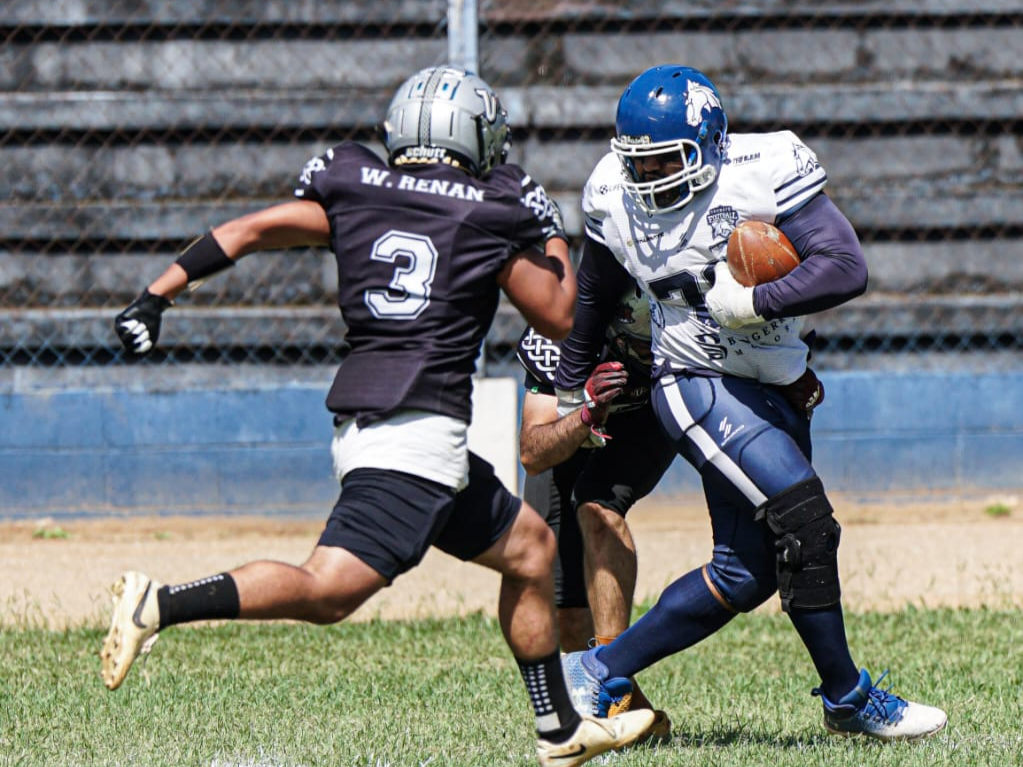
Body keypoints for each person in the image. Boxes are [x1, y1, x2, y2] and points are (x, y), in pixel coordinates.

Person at [101, 64, 654, 767]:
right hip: (415, 433)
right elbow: (559, 313)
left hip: (384, 424)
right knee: (328, 591)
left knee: (528, 548)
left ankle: (559, 732)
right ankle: (161, 602)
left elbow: (249, 230)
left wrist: (155, 295)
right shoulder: (489, 204)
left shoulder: (357, 183)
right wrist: (548, 233)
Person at [552, 64, 947, 741]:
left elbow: (844, 264)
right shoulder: (610, 194)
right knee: (807, 520)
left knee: (745, 573)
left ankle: (594, 669)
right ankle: (847, 697)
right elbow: (594, 289)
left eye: (664, 163)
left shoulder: (764, 165)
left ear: (707, 144)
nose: (647, 181)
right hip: (694, 378)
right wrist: (570, 383)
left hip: (773, 377)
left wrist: (757, 300)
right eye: (637, 166)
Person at [515, 281, 675, 740]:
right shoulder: (560, 330)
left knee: (598, 508)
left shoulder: (685, 313)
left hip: (650, 415)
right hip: (574, 425)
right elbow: (532, 451)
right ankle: (636, 716)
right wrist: (586, 412)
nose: (645, 349)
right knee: (565, 613)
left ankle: (612, 681)